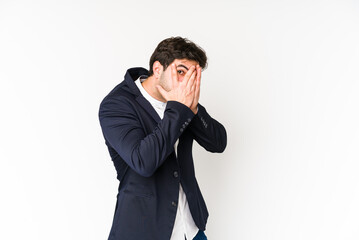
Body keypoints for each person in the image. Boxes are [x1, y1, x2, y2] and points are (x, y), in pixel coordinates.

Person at [98, 36, 227, 240]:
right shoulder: (117, 105)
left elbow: (218, 143)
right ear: (158, 69)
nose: (186, 82)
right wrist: (178, 109)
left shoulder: (183, 102)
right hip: (145, 230)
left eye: (193, 75)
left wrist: (192, 109)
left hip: (191, 228)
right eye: (181, 72)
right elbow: (144, 162)